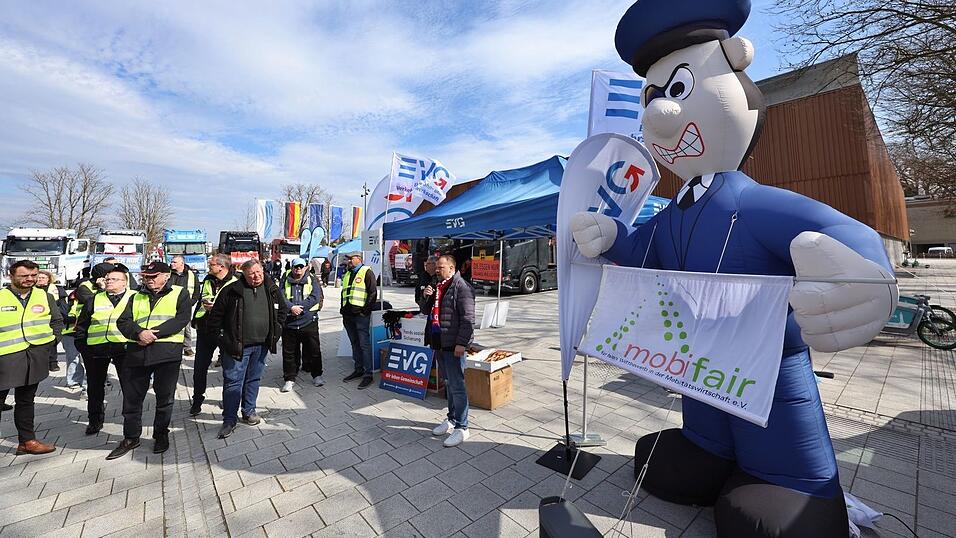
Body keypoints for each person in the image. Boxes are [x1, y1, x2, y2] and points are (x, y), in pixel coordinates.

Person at [109, 261, 191, 459]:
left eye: (153, 277)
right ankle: (131, 437)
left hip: (166, 352)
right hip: (137, 352)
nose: (149, 280)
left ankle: (161, 434)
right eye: (146, 277)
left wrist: (153, 334)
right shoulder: (136, 296)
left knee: (164, 398)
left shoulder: (179, 293)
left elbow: (181, 319)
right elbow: (123, 321)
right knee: (132, 399)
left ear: (166, 276)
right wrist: (139, 333)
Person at [207, 260, 286, 439]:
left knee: (253, 379)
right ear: (244, 274)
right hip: (236, 347)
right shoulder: (231, 290)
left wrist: (277, 330)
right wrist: (224, 341)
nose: (256, 276)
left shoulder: (272, 289)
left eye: (259, 272)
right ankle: (229, 420)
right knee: (233, 382)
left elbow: (282, 311)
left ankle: (249, 411)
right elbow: (215, 319)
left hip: (261, 346)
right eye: (251, 274)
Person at [0, 260, 64, 454]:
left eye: (33, 275)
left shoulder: (44, 296)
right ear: (11, 276)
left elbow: (57, 321)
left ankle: (27, 442)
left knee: (26, 401)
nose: (30, 279)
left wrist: (50, 344)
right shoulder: (2, 296)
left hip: (34, 357)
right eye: (24, 276)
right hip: (5, 358)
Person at [418, 255, 475, 447]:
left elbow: (468, 319)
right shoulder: (438, 285)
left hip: (453, 345)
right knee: (449, 384)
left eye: (440, 267)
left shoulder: (462, 287)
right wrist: (426, 296)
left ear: (451, 268)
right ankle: (451, 418)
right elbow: (425, 311)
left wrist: (462, 343)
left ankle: (462, 427)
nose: (436, 270)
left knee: (457, 385)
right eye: (436, 267)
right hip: (438, 343)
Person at [74, 266, 134, 435]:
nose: (109, 281)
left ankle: (130, 420)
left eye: (114, 279)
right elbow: (82, 324)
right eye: (108, 279)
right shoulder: (95, 299)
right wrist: (83, 347)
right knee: (95, 387)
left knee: (129, 386)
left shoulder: (134, 297)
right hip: (96, 349)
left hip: (124, 349)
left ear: (124, 282)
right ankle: (95, 420)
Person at [189, 253, 238, 416]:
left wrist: (217, 307)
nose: (208, 267)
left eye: (211, 265)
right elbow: (202, 300)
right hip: (205, 329)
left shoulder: (236, 282)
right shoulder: (208, 280)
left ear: (221, 267)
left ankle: (227, 400)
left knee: (228, 369)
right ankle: (197, 401)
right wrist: (196, 320)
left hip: (225, 331)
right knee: (199, 368)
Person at [279, 258, 323, 392]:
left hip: (308, 321)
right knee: (289, 353)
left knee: (313, 350)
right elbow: (280, 296)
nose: (298, 269)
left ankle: (317, 375)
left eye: (301, 266)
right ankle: (289, 378)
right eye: (296, 266)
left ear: (305, 267)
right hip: (290, 322)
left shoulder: (312, 279)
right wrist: (291, 307)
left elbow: (315, 296)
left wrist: (300, 307)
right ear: (292, 267)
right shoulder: (285, 278)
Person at [340, 252, 377, 389]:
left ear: (359, 259)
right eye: (348, 259)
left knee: (364, 345)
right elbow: (345, 293)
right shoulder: (348, 273)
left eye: (351, 259)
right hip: (348, 315)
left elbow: (373, 293)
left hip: (360, 315)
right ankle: (358, 369)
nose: (348, 261)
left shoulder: (366, 272)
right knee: (354, 344)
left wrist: (365, 311)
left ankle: (368, 375)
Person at [169, 255, 201, 357]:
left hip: (185, 305)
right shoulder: (168, 273)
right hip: (169, 304)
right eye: (172, 262)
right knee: (170, 324)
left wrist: (192, 302)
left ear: (182, 263)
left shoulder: (191, 275)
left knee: (186, 326)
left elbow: (196, 289)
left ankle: (187, 348)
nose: (171, 264)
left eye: (174, 262)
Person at [36, 270, 67, 372]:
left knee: (52, 340)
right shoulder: (32, 290)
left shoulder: (56, 289)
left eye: (43, 278)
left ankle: (53, 362)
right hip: (38, 318)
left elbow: (62, 304)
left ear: (48, 279)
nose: (40, 279)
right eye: (39, 278)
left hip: (53, 317)